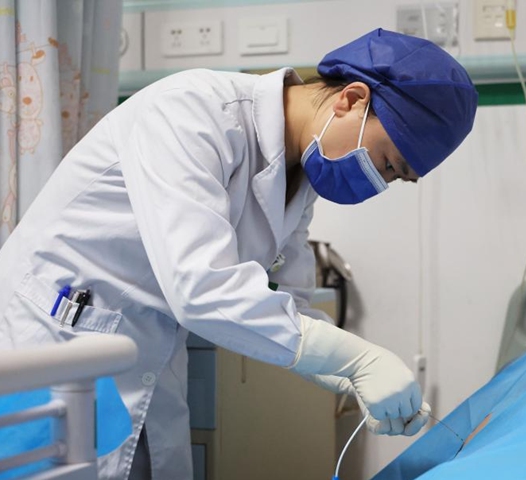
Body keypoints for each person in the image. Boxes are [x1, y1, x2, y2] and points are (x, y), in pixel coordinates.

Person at [0, 28, 478, 479]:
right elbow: (200, 286)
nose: (379, 182)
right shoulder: (190, 113)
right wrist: (357, 360)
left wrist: (345, 372)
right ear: (350, 100)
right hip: (56, 340)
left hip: (141, 349)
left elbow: (290, 299)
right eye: (388, 163)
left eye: (396, 178)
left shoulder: (299, 175)